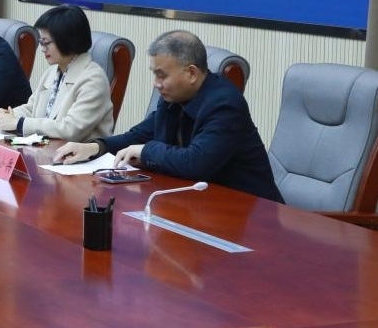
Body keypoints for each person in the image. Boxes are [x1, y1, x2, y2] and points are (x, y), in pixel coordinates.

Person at [54, 30, 284, 202]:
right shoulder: (174, 98)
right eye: (154, 75)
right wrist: (95, 147)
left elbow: (196, 163)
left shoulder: (225, 105)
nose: (156, 84)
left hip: (250, 214)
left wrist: (146, 151)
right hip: (200, 205)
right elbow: (138, 136)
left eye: (162, 75)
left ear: (191, 73)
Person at [0, 4, 113, 141]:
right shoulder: (53, 71)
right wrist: (8, 115)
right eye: (41, 42)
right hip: (47, 147)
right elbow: (32, 108)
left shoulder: (94, 79)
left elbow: (70, 129)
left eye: (46, 43)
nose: (42, 49)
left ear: (67, 40)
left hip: (77, 151)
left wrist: (19, 123)